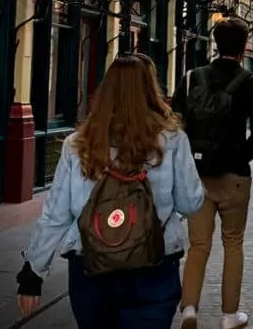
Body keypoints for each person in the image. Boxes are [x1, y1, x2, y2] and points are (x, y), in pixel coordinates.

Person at [15, 54, 205, 328]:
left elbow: (56, 215)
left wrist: (33, 273)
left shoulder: (77, 144)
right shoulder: (172, 140)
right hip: (153, 265)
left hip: (91, 266)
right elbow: (189, 204)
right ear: (151, 89)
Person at [173, 17, 253, 329]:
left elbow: (175, 125)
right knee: (233, 242)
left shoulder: (191, 78)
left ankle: (189, 308)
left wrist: (190, 161)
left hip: (197, 175)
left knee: (198, 245)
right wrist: (238, 156)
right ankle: (230, 316)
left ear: (215, 44)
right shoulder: (251, 83)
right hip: (234, 178)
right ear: (245, 47)